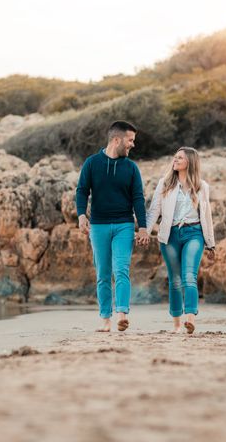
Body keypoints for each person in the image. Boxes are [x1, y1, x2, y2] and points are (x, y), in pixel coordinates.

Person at [76, 120, 150, 332]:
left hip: (124, 225)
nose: (132, 145)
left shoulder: (132, 168)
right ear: (116, 140)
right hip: (98, 226)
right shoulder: (91, 163)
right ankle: (105, 321)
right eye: (130, 140)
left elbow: (138, 198)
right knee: (103, 273)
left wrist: (142, 227)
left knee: (121, 269)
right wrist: (82, 215)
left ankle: (122, 315)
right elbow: (82, 191)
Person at [146, 147, 215, 334]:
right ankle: (177, 325)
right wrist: (144, 230)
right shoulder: (165, 183)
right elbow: (154, 210)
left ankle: (190, 319)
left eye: (180, 158)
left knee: (189, 276)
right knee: (175, 279)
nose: (175, 160)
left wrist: (210, 243)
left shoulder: (202, 186)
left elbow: (207, 216)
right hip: (170, 235)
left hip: (194, 233)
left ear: (190, 163)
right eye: (175, 157)